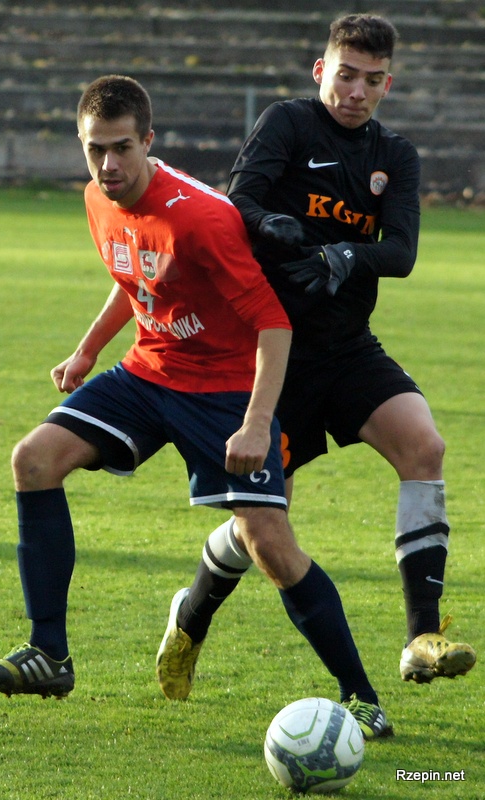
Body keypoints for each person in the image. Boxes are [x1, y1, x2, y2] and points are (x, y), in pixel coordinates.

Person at [0, 75, 390, 738]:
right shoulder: (97, 198)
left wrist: (255, 423)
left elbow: (273, 324)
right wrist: (86, 352)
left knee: (269, 543)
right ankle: (49, 654)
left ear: (148, 141)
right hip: (148, 372)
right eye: (95, 149)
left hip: (224, 388)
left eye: (121, 148)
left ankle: (362, 697)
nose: (108, 164)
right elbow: (136, 273)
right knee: (34, 460)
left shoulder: (202, 217)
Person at [158, 13, 475, 705]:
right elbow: (237, 203)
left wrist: (344, 256)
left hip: (347, 347)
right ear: (320, 70)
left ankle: (421, 637)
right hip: (268, 356)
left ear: (387, 84)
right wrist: (268, 223)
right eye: (345, 75)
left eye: (371, 80)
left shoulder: (395, 154)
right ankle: (191, 615)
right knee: (260, 530)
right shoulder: (288, 124)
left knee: (423, 446)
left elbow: (400, 252)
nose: (355, 91)